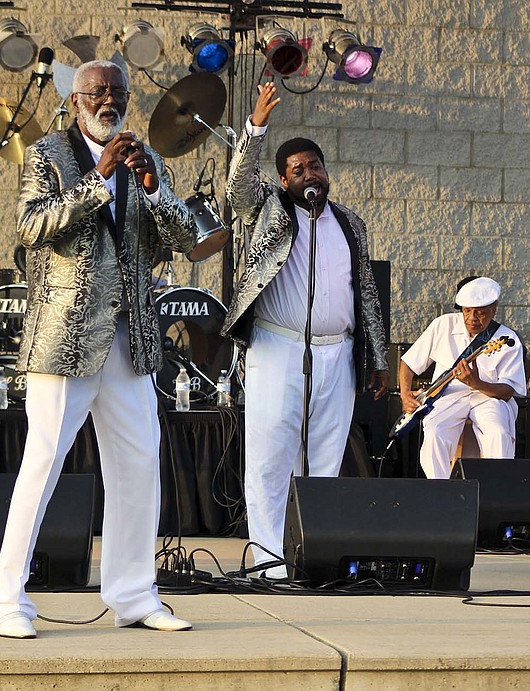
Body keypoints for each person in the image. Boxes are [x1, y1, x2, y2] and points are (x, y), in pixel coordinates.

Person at [0, 59, 196, 639]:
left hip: (130, 337)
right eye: (98, 92)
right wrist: (97, 179)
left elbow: (184, 243)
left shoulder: (141, 158)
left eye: (118, 92)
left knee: (137, 466)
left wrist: (153, 190)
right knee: (45, 460)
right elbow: (29, 228)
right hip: (66, 338)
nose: (109, 100)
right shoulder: (47, 154)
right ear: (76, 100)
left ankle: (133, 593)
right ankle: (6, 597)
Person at [223, 82, 389, 581]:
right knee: (272, 456)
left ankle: (314, 554)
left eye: (316, 166)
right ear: (282, 179)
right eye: (299, 169)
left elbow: (366, 295)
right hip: (277, 347)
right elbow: (236, 189)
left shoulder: (349, 223)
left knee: (326, 457)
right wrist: (255, 128)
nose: (310, 174)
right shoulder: (266, 210)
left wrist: (377, 356)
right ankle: (269, 561)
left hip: (336, 353)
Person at [399, 277, 526, 478]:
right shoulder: (443, 325)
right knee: (434, 434)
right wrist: (405, 394)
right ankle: (440, 492)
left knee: (498, 433)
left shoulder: (506, 339)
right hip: (448, 395)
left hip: (488, 397)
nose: (472, 317)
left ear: (494, 310)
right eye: (467, 310)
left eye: (480, 312)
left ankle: (496, 492)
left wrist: (476, 383)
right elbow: (408, 363)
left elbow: (508, 391)